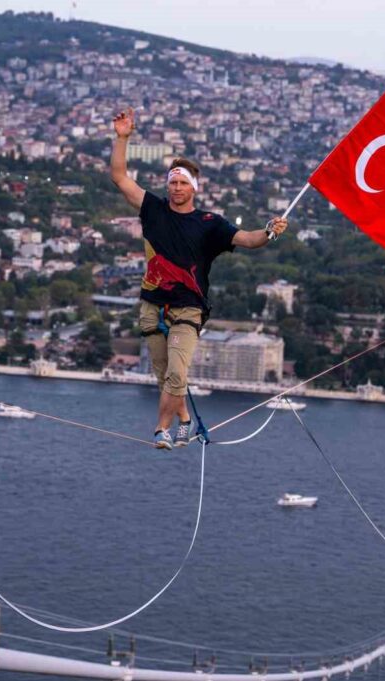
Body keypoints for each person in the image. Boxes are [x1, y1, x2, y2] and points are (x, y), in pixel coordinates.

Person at [109, 107, 288, 449]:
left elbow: (250, 240)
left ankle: (161, 430)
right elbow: (120, 177)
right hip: (152, 305)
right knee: (165, 377)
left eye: (182, 183)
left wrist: (270, 231)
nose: (176, 188)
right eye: (172, 182)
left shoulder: (210, 223)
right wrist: (122, 138)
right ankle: (186, 420)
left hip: (189, 309)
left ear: (193, 187)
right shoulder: (153, 209)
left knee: (176, 374)